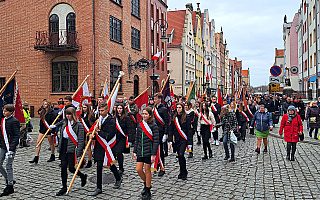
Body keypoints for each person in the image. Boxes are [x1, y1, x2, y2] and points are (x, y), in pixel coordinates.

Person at [89, 103, 122, 196]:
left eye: (102, 110)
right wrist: (93, 136)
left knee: (110, 165)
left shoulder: (111, 121)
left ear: (107, 110)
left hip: (108, 146)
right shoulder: (99, 120)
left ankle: (118, 178)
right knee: (99, 166)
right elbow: (97, 135)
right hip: (99, 146)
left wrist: (98, 131)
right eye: (99, 110)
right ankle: (99, 187)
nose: (100, 112)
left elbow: (108, 135)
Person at [56, 107, 87, 196]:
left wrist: (79, 151)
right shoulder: (64, 124)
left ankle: (82, 176)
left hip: (73, 148)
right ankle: (64, 186)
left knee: (71, 168)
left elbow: (81, 139)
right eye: (66, 114)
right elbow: (61, 137)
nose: (67, 116)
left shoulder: (78, 125)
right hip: (64, 146)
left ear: (73, 115)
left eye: (69, 114)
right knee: (63, 167)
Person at [133, 107, 159, 200]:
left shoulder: (154, 126)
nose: (144, 116)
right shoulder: (140, 125)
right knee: (138, 169)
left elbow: (156, 141)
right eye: (143, 114)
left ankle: (147, 190)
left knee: (148, 170)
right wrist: (135, 151)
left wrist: (153, 154)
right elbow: (137, 139)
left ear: (150, 115)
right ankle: (147, 183)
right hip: (140, 150)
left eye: (146, 114)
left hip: (149, 151)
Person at [168, 103, 192, 179]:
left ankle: (184, 171)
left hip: (184, 139)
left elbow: (189, 130)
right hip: (177, 139)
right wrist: (170, 140)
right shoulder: (174, 118)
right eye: (177, 107)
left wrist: (190, 142)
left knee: (181, 154)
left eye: (180, 107)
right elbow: (171, 129)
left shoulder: (187, 118)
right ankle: (182, 170)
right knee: (179, 156)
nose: (178, 109)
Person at [0, 104, 20, 196]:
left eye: (6, 111)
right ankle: (8, 178)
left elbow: (16, 135)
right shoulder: (3, 120)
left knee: (8, 165)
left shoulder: (14, 121)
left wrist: (12, 149)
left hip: (10, 147)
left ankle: (10, 186)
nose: (4, 112)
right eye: (3, 111)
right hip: (3, 146)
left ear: (11, 112)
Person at [114, 104, 134, 176]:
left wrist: (130, 140)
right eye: (118, 108)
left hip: (123, 138)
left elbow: (130, 129)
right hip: (116, 138)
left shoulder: (126, 118)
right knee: (115, 153)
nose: (119, 110)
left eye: (120, 108)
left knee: (119, 152)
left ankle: (121, 168)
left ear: (123, 109)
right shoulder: (114, 117)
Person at [152, 93, 169, 176]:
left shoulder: (164, 109)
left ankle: (162, 168)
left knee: (160, 150)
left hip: (161, 132)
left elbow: (166, 123)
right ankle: (157, 164)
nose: (154, 100)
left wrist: (165, 134)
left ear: (159, 99)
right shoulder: (154, 109)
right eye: (154, 99)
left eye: (155, 99)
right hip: (154, 132)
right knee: (154, 150)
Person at [79, 103, 96, 168]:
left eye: (85, 107)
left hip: (88, 133)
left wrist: (92, 133)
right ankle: (82, 161)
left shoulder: (91, 116)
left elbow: (93, 125)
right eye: (83, 107)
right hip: (82, 133)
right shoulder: (81, 116)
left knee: (88, 148)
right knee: (81, 147)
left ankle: (89, 161)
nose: (83, 109)